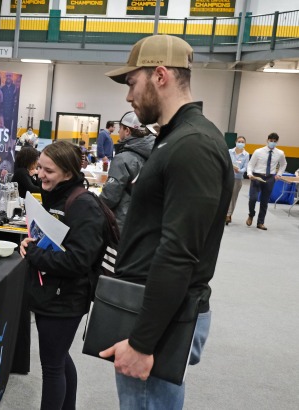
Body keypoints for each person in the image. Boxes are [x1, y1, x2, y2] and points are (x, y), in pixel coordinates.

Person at [101, 34, 233, 409]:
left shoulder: (191, 145)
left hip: (159, 319)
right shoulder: (172, 138)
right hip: (149, 307)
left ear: (160, 75)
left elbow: (178, 253)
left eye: (131, 83)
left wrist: (143, 343)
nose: (128, 96)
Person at [19, 141, 106, 410]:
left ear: (68, 173)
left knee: (52, 367)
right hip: (51, 292)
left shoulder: (83, 206)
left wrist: (35, 255)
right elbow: (55, 241)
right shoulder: (56, 195)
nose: (40, 175)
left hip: (66, 298)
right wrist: (31, 244)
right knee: (59, 358)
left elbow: (79, 260)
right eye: (39, 168)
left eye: (49, 171)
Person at [100, 111, 154, 230]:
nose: (118, 131)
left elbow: (109, 197)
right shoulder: (156, 152)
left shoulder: (123, 159)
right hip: (145, 221)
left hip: (122, 223)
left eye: (120, 128)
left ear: (127, 131)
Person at [246, 132, 286, 230]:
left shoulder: (280, 153)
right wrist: (249, 174)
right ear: (267, 140)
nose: (272, 143)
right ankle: (251, 214)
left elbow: (283, 164)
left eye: (274, 141)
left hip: (270, 178)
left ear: (277, 142)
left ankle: (260, 222)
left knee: (264, 201)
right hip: (257, 176)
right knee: (253, 198)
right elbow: (250, 164)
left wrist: (279, 174)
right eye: (271, 141)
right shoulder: (258, 151)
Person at [226, 136, 249, 225]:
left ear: (245, 144)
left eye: (242, 142)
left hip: (237, 178)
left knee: (233, 198)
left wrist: (239, 170)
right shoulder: (229, 151)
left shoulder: (246, 154)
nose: (240, 143)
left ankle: (229, 214)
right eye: (239, 141)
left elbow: (245, 167)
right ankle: (224, 213)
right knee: (225, 196)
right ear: (235, 142)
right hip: (228, 177)